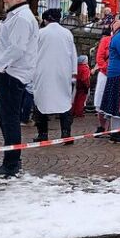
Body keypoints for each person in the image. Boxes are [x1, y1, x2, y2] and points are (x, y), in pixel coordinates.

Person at [0, 0, 39, 176]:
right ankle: (11, 160)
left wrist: (0, 65)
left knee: (9, 119)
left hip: (13, 73)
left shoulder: (22, 19)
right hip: (11, 71)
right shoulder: (17, 16)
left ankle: (11, 163)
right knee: (4, 117)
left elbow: (17, 48)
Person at [32, 9, 77, 142]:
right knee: (64, 101)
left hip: (43, 72)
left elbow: (32, 53)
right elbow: (73, 54)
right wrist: (74, 73)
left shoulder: (40, 33)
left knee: (41, 100)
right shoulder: (67, 33)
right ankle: (66, 133)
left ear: (46, 20)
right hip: (63, 72)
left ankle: (43, 134)